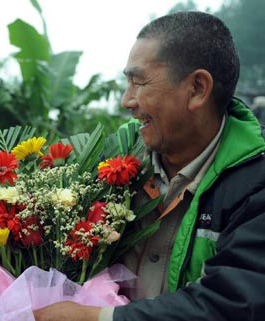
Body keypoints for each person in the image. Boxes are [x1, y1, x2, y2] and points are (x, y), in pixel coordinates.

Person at [34, 11, 265, 321]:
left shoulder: (254, 184)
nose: (126, 101)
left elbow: (233, 303)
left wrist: (97, 317)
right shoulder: (110, 161)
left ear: (197, 88)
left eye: (138, 82)